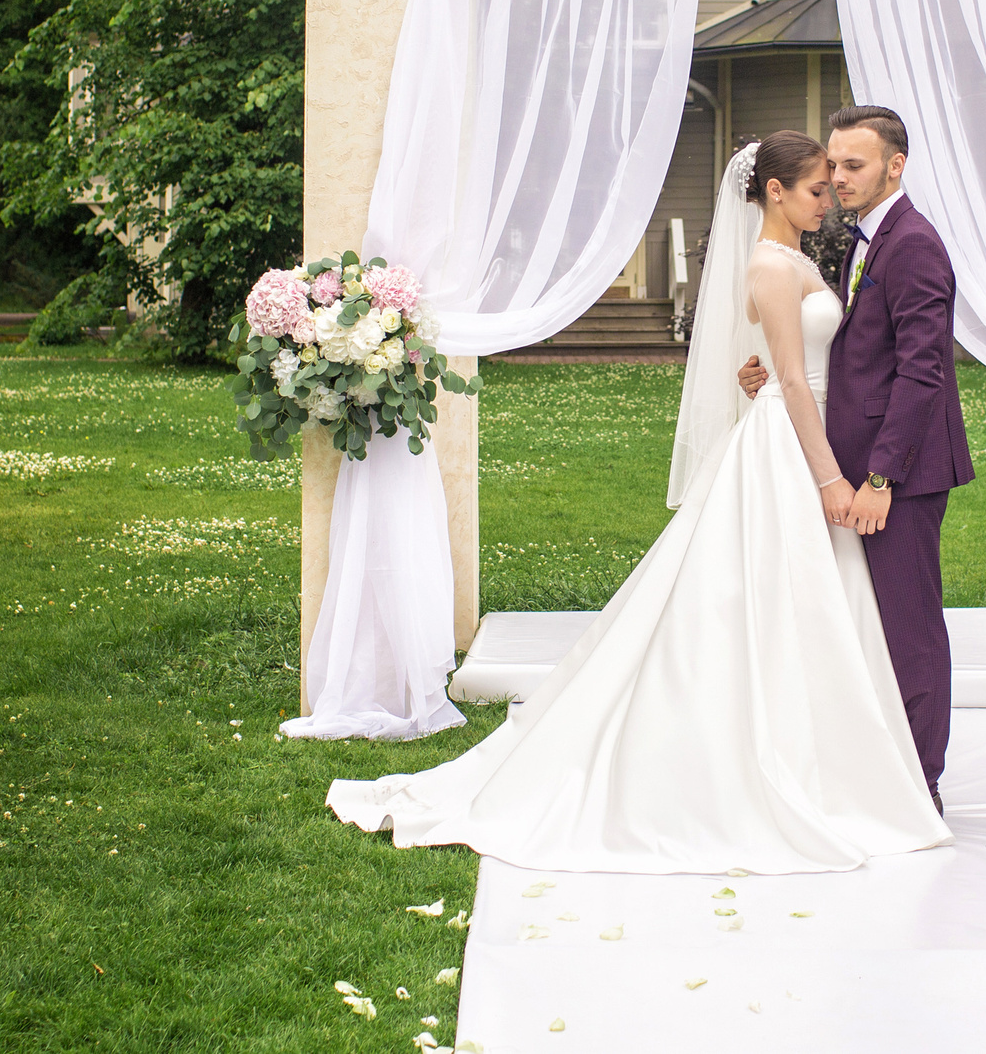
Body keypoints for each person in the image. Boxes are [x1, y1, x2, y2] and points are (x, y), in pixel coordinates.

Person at [318, 132, 950, 874]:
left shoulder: (819, 255)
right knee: (775, 600)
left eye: (840, 176)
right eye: (817, 184)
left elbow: (837, 354)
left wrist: (780, 382)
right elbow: (797, 376)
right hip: (792, 446)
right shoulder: (771, 264)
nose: (830, 194)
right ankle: (795, 759)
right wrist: (831, 476)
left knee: (815, 603)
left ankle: (859, 762)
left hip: (802, 435)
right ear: (774, 191)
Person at [739, 105, 972, 811]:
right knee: (864, 622)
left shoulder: (914, 244)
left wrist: (879, 478)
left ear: (894, 166)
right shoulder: (867, 237)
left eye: (853, 165)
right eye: (832, 166)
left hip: (899, 474)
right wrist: (771, 374)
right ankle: (876, 764)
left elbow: (922, 371)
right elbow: (855, 348)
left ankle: (922, 783)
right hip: (858, 462)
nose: (838, 177)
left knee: (909, 626)